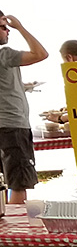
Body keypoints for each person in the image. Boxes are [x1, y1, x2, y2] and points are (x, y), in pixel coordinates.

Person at [0, 11, 47, 205]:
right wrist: (21, 27)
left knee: (3, 183)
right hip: (12, 125)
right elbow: (40, 54)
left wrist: (22, 87)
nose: (8, 30)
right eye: (3, 27)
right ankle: (14, 231)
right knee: (19, 183)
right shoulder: (5, 54)